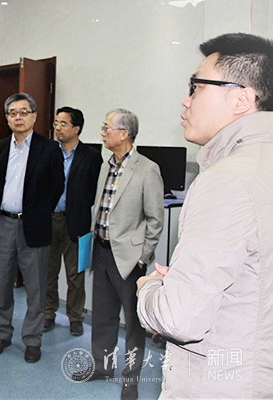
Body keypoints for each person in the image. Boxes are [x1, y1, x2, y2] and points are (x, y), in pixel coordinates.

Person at [137, 33, 273, 399]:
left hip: (220, 383)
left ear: (242, 99)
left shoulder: (227, 180)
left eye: (195, 87)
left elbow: (178, 318)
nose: (185, 100)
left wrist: (151, 288)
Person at [74, 109, 163, 400]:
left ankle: (131, 379)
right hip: (101, 251)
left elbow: (155, 219)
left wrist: (143, 256)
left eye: (106, 128)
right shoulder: (106, 165)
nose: (102, 133)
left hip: (129, 258)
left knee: (133, 322)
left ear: (124, 134)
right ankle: (102, 366)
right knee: (103, 315)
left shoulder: (147, 168)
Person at [0, 92, 64, 363]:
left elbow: (56, 187)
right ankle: (2, 333)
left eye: (23, 112)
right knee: (2, 284)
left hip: (34, 226)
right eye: (13, 113)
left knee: (36, 287)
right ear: (7, 118)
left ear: (34, 116)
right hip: (3, 224)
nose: (18, 117)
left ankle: (32, 339)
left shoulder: (49, 149)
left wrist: (37, 212)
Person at [44, 106, 102, 336]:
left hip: (76, 222)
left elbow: (93, 191)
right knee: (48, 272)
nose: (58, 128)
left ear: (76, 128)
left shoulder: (91, 157)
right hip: (49, 220)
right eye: (56, 123)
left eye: (63, 124)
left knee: (75, 275)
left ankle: (75, 317)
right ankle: (48, 313)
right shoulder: (48, 152)